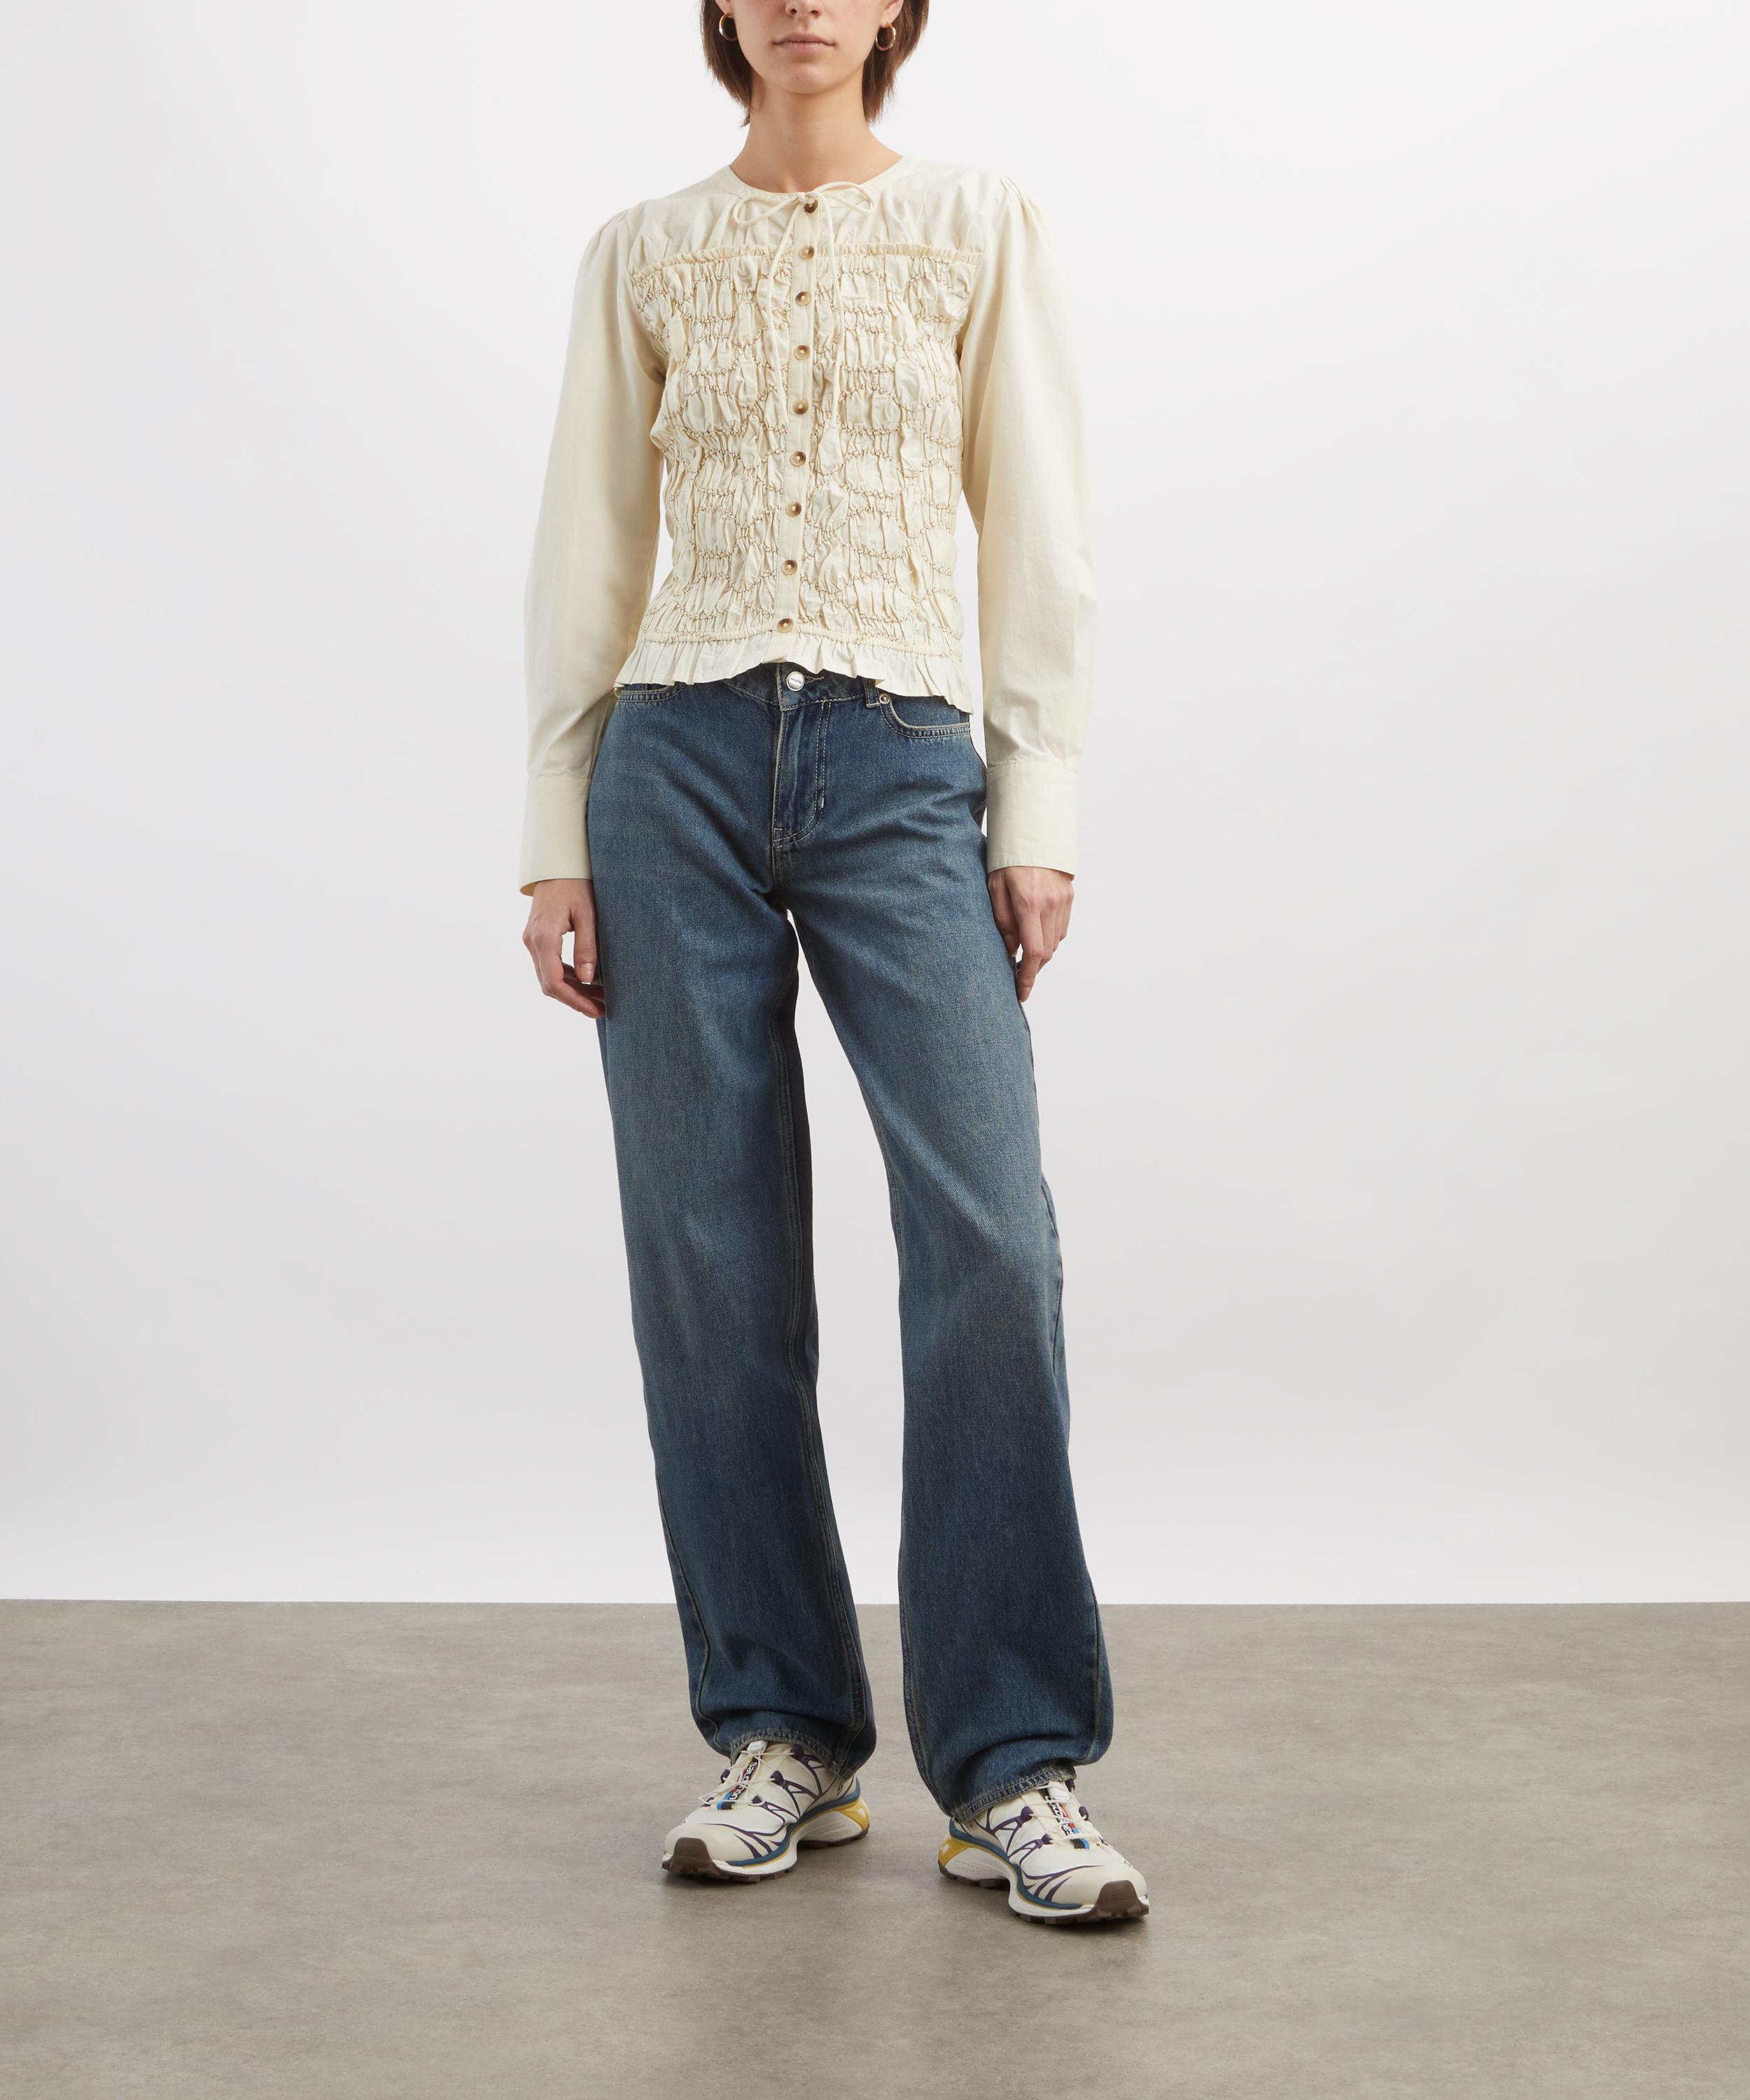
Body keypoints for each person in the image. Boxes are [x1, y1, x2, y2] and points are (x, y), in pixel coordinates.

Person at [518, 0, 1147, 1926]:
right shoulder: (641, 250)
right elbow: (586, 548)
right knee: (706, 1255)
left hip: (900, 757)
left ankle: (1012, 1763)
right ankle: (782, 1728)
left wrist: (1034, 805)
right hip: (671, 767)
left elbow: (1039, 526)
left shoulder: (976, 223)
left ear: (894, 12)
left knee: (990, 1241)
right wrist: (555, 830)